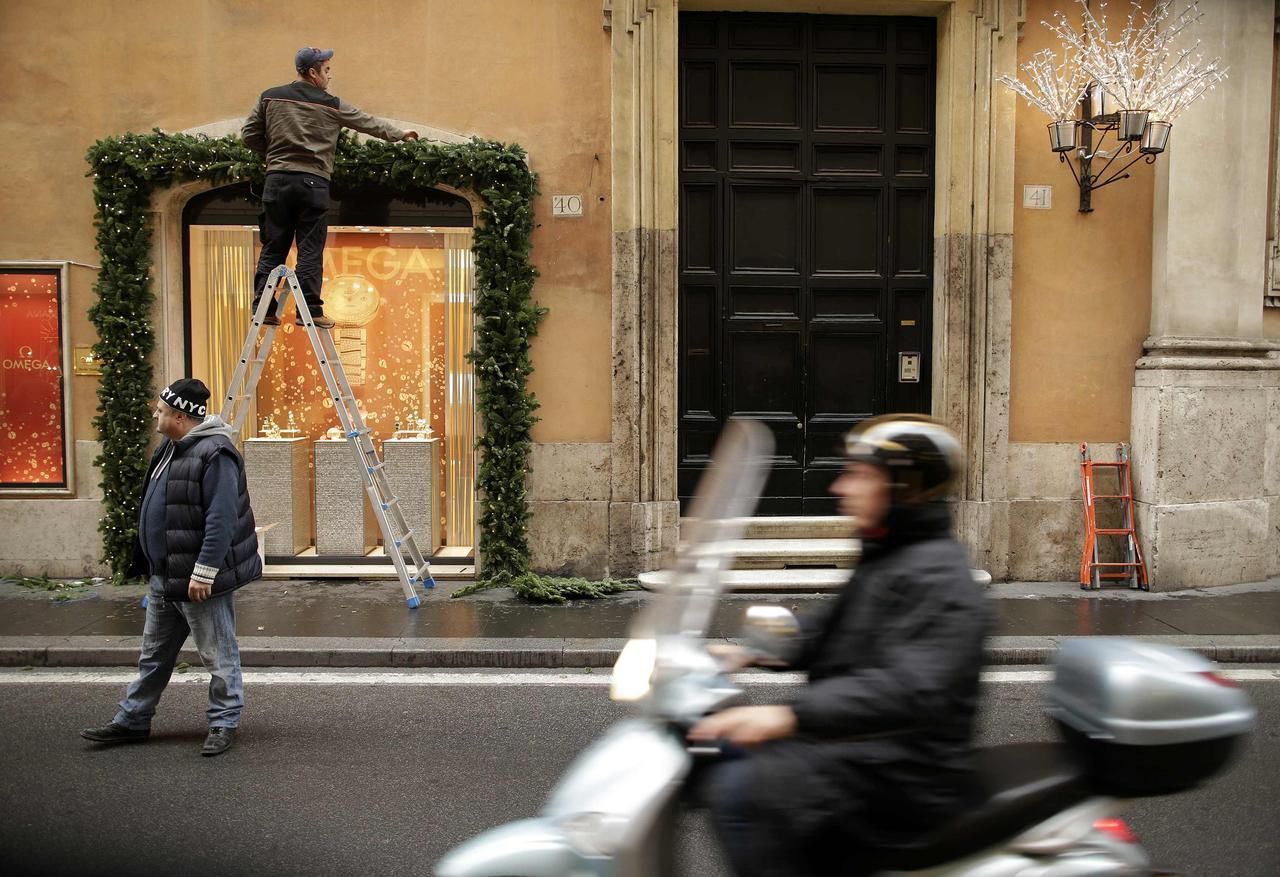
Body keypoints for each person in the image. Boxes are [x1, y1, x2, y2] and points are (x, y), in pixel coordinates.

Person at [689, 415, 992, 877]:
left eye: (858, 475)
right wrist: (749, 650)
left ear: (903, 488)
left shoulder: (940, 578)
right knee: (704, 751)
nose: (839, 487)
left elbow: (912, 689)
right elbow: (827, 630)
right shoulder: (891, 556)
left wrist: (789, 716)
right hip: (861, 749)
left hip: (903, 773)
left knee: (741, 789)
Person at [80, 379, 262, 757]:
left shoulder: (216, 453)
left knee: (218, 654)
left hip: (196, 579)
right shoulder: (170, 448)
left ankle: (224, 721)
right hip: (166, 577)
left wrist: (205, 571)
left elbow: (221, 518)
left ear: (180, 417)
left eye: (161, 411)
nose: (154, 414)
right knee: (154, 655)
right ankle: (133, 719)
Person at [242, 47, 419, 329]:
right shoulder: (330, 103)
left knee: (274, 244)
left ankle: (263, 308)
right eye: (326, 70)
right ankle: (309, 311)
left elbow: (250, 134)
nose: (330, 75)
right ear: (312, 72)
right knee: (310, 247)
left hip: (277, 180)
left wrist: (274, 155)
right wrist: (400, 135)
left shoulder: (269, 96)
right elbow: (367, 122)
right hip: (312, 182)